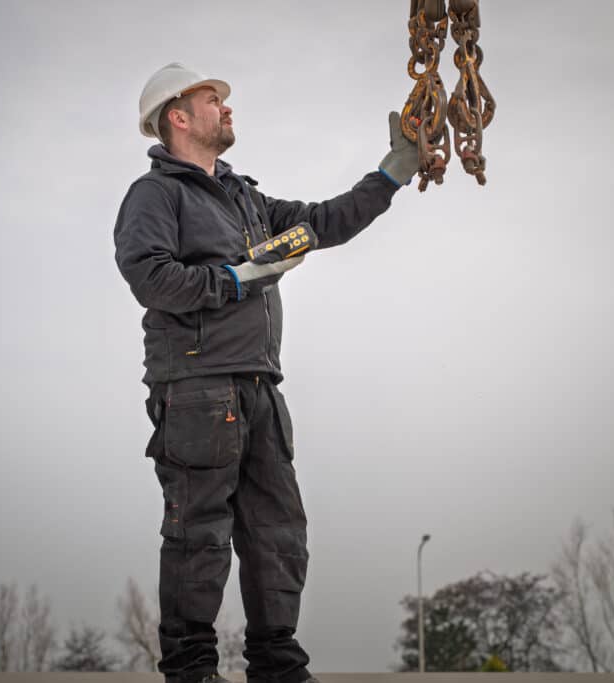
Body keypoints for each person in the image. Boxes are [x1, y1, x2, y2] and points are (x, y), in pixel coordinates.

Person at [113, 63, 419, 683]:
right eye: (212, 99)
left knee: (278, 530)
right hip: (197, 388)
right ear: (178, 117)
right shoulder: (156, 194)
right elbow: (149, 275)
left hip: (258, 386)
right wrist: (234, 279)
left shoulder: (244, 198)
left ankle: (276, 665)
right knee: (199, 532)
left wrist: (392, 173)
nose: (226, 106)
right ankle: (191, 669)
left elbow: (321, 223)